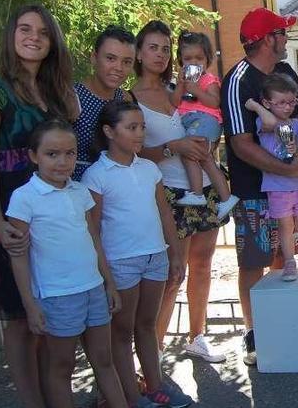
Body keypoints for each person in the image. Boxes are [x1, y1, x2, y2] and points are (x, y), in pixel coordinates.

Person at [0, 4, 79, 408]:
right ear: (11, 35)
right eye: (24, 28)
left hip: (52, 218)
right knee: (18, 319)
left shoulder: (54, 94)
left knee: (44, 316)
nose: (33, 36)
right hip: (13, 219)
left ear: (52, 42)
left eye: (42, 32)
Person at [220, 7, 298, 365]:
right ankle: (253, 333)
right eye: (282, 31)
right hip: (252, 191)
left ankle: (285, 327)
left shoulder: (286, 71)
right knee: (253, 262)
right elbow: (240, 142)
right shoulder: (237, 80)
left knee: (287, 258)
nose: (287, 36)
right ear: (266, 39)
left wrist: (296, 160)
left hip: (291, 186)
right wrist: (287, 168)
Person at [6, 120, 126, 408]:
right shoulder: (24, 199)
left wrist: (108, 282)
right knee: (61, 367)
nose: (62, 161)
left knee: (104, 360)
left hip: (94, 289)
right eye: (52, 154)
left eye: (69, 153)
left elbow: (93, 239)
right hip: (57, 296)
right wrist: (31, 306)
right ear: (34, 156)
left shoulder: (79, 192)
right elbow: (19, 257)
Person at [128, 20, 228, 364]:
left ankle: (197, 336)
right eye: (152, 47)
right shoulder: (130, 99)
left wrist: (206, 145)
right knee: (173, 273)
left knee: (203, 264)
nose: (159, 54)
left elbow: (210, 114)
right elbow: (132, 153)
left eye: (164, 48)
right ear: (139, 53)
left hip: (201, 187)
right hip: (167, 193)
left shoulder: (182, 87)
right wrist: (175, 147)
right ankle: (152, 353)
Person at [82, 101, 191, 407]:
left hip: (155, 256)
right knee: (122, 330)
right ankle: (131, 395)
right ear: (109, 131)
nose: (140, 133)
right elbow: (94, 228)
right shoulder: (96, 175)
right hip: (121, 262)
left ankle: (155, 385)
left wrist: (175, 255)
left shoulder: (149, 169)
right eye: (132, 127)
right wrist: (105, 276)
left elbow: (165, 213)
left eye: (142, 126)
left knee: (146, 324)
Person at [244, 74, 298, 281]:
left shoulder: (296, 123)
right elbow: (271, 120)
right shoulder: (264, 122)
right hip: (278, 186)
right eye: (281, 103)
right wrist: (254, 106)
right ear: (267, 103)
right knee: (285, 226)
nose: (287, 107)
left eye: (291, 102)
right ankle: (289, 262)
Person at [171, 31, 239, 218]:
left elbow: (214, 102)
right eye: (188, 58)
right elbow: (175, 102)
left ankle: (197, 193)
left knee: (189, 154)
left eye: (199, 58)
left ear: (207, 59)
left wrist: (196, 90)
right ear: (180, 61)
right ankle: (226, 198)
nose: (193, 62)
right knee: (206, 160)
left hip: (206, 120)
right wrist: (180, 86)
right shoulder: (184, 81)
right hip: (192, 121)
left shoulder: (208, 80)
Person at [72, 25, 135, 181]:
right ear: (94, 57)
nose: (118, 68)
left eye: (126, 62)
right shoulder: (72, 96)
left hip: (118, 186)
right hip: (80, 187)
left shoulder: (126, 99)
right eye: (110, 58)